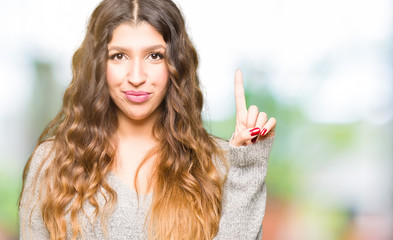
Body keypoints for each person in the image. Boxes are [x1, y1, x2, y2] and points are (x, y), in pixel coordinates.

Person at [19, 0, 276, 239]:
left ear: (175, 64)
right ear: (98, 65)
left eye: (154, 56)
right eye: (119, 56)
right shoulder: (55, 163)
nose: (137, 76)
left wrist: (246, 165)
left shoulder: (216, 165)